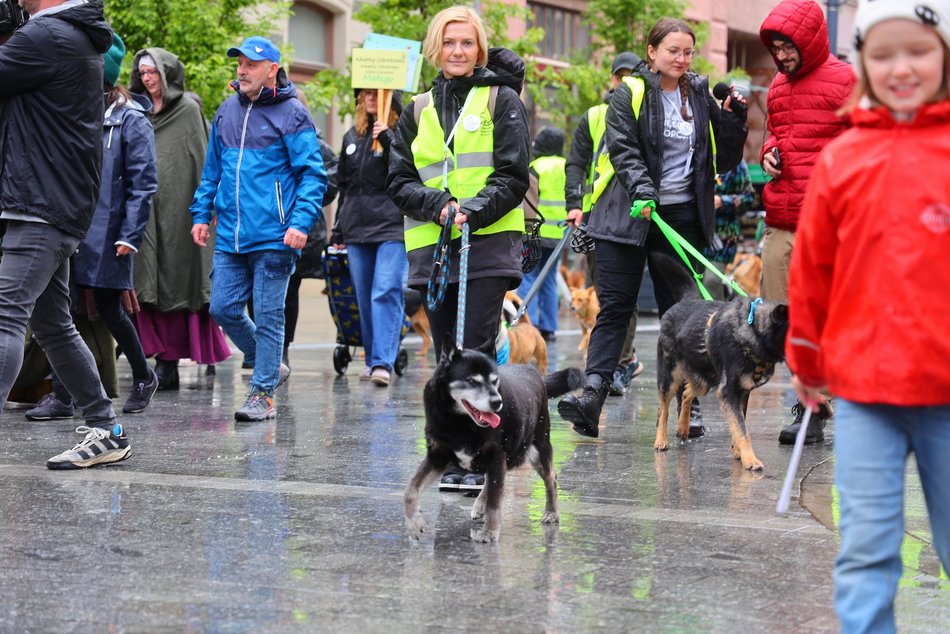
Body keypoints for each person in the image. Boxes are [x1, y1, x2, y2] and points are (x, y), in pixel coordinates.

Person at [787, 1, 950, 630]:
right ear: (862, 63)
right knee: (866, 549)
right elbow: (812, 275)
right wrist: (805, 357)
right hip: (865, 392)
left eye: (919, 51)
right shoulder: (842, 158)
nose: (901, 67)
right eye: (882, 55)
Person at [557, 18, 748, 438]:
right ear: (652, 52)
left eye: (688, 52)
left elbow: (723, 160)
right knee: (616, 307)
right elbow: (623, 149)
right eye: (672, 51)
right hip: (626, 212)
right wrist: (643, 190)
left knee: (683, 314)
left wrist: (735, 123)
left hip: (679, 218)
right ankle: (592, 395)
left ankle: (689, 403)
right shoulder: (629, 93)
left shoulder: (698, 92)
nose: (681, 59)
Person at [387, 5, 530, 491]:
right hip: (434, 244)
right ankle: (451, 452)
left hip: (488, 241)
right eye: (449, 42)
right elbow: (399, 180)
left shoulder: (502, 99)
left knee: (476, 349)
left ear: (480, 50)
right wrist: (438, 205)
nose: (457, 51)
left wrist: (473, 207)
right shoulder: (416, 108)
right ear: (435, 47)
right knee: (448, 356)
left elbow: (513, 174)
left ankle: (482, 455)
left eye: (467, 43)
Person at [0, 0, 129, 469]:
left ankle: (106, 425)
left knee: (5, 315)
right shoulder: (68, 36)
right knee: (53, 324)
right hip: (55, 203)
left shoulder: (46, 35)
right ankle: (107, 429)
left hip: (41, 204)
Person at [191, 36, 327, 421]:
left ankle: (262, 392)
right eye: (239, 63)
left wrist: (300, 223)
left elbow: (313, 176)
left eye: (251, 64)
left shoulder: (293, 114)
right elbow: (212, 171)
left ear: (272, 69)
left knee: (269, 315)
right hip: (231, 233)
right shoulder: (226, 112)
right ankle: (271, 365)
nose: (242, 70)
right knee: (222, 308)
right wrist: (201, 214)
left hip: (275, 234)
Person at [25, 33, 160, 419]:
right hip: (75, 227)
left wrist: (130, 237)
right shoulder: (77, 110)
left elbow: (143, 183)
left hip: (112, 235)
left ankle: (142, 375)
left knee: (109, 308)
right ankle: (62, 395)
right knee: (63, 311)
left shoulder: (131, 120)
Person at [758, 0, 856, 445]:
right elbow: (774, 134)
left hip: (830, 220)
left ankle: (812, 409)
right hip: (782, 215)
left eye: (788, 47)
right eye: (776, 47)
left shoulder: (846, 81)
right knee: (780, 315)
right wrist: (769, 156)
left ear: (811, 39)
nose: (782, 56)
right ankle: (812, 400)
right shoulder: (778, 86)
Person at [129, 47, 231, 390]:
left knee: (175, 278)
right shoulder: (137, 111)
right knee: (144, 279)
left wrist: (205, 211)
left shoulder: (187, 111)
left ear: (167, 73)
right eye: (142, 73)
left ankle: (168, 362)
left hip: (178, 212)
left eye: (153, 72)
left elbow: (201, 164)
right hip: (142, 211)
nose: (147, 79)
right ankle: (149, 355)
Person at [564, 52, 645, 397]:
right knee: (612, 297)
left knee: (622, 297)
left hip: (641, 214)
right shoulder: (594, 116)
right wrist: (574, 205)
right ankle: (613, 366)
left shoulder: (649, 113)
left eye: (631, 76)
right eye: (620, 76)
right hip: (601, 219)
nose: (624, 82)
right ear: (612, 80)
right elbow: (577, 162)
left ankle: (622, 363)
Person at [331, 88, 405, 386]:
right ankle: (375, 355)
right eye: (366, 94)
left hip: (391, 225)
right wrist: (338, 228)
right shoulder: (352, 136)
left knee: (385, 289)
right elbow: (344, 185)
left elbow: (407, 167)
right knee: (363, 296)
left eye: (378, 93)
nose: (371, 98)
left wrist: (387, 138)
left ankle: (382, 362)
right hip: (357, 226)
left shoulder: (401, 133)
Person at [517, 127, 566, 342]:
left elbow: (529, 202)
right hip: (560, 233)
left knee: (528, 276)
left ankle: (530, 324)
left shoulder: (535, 168)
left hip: (535, 232)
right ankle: (549, 327)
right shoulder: (567, 167)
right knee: (549, 279)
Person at [702, 159, 755, 300]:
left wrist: (723, 201)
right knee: (694, 283)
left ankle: (716, 320)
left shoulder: (735, 162)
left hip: (722, 237)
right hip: (694, 232)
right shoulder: (697, 154)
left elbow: (749, 198)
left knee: (711, 280)